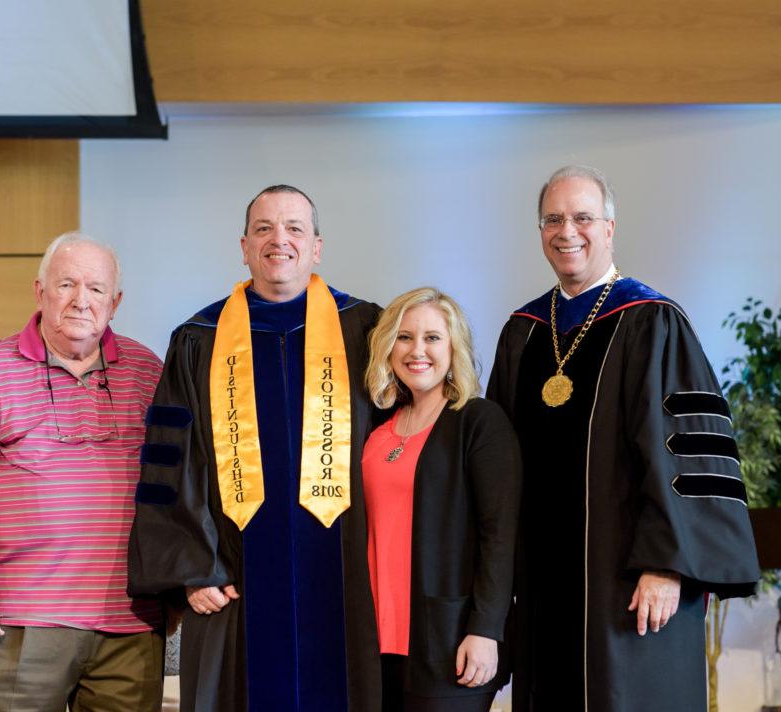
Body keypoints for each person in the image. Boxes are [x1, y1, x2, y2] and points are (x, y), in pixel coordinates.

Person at [487, 165, 760, 711]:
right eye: (554, 219)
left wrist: (667, 564)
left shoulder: (652, 321)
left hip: (629, 582)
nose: (568, 231)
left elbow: (691, 453)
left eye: (583, 217)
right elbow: (495, 463)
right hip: (543, 587)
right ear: (540, 231)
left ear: (609, 228)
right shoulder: (524, 331)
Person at [128, 184, 383, 712]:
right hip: (233, 580)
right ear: (244, 246)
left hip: (346, 576)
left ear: (317, 245)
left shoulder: (366, 329)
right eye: (264, 229)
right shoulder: (199, 338)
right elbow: (169, 463)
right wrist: (194, 567)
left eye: (294, 228)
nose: (278, 240)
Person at [0, 232, 164, 712]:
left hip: (131, 623)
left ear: (115, 301)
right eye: (67, 285)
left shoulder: (148, 372)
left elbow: (178, 484)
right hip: (18, 621)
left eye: (97, 289)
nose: (82, 300)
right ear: (40, 292)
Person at [362, 288, 521, 712]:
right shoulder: (375, 431)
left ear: (454, 348)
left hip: (450, 640)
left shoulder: (478, 422)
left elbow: (501, 537)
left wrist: (486, 630)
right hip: (374, 642)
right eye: (405, 337)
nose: (418, 351)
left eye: (433, 337)